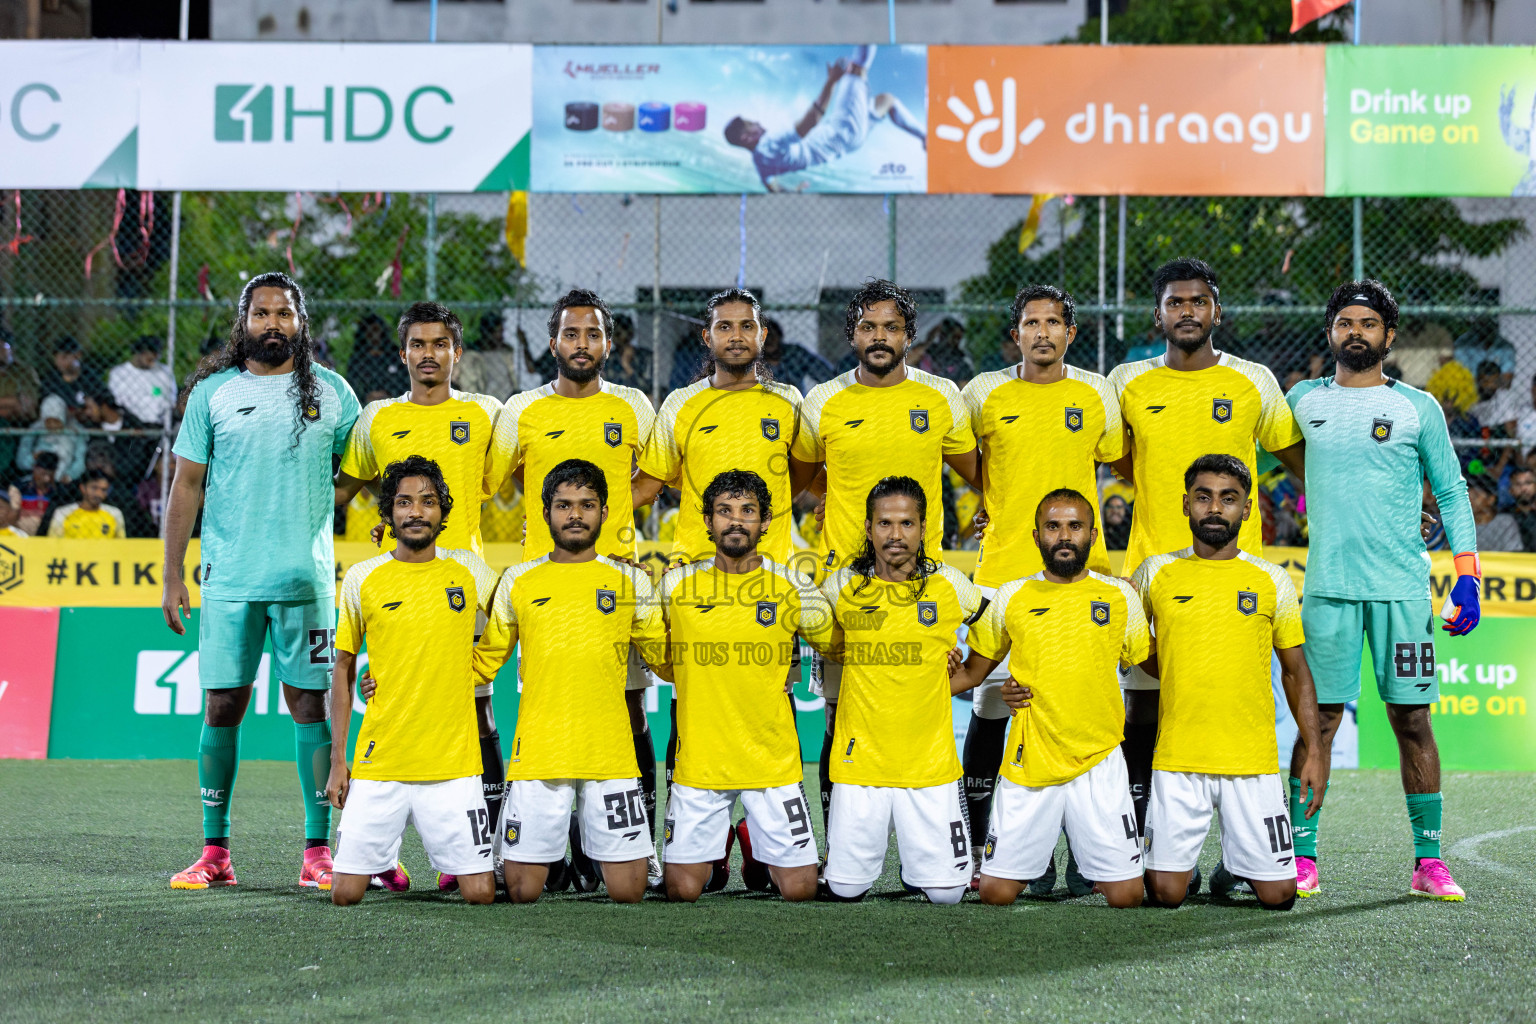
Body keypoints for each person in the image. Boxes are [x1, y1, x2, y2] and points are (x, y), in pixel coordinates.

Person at [161, 272, 362, 892]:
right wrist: (172, 576)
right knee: (224, 704)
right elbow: (186, 485)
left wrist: (327, 504)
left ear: (302, 323)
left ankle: (317, 852)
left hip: (307, 584)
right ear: (242, 322)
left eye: (284, 313)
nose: (272, 323)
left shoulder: (333, 393)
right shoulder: (213, 393)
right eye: (261, 313)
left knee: (312, 707)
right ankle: (214, 852)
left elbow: (362, 465)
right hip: (228, 582)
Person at [1288, 281, 1482, 900]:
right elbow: (1262, 458)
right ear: (1330, 333)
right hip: (1328, 590)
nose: (1356, 332)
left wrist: (1468, 578)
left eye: (1368, 324)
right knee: (1316, 721)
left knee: (1412, 719)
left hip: (1401, 590)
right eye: (1344, 322)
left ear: (1388, 336)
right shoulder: (1301, 401)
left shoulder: (1417, 407)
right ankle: (1301, 854)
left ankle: (1429, 863)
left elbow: (1451, 491)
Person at [1107, 257, 1305, 845]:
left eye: (1197, 301)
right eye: (1175, 302)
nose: (1187, 311)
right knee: (1143, 709)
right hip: (1152, 576)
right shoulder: (1127, 381)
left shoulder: (1254, 380)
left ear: (1216, 309)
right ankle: (1137, 845)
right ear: (1158, 313)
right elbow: (1120, 460)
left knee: (1236, 711)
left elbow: (1299, 462)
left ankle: (1242, 853)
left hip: (1235, 580)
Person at [487, 288, 662, 889]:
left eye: (593, 334)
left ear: (608, 343)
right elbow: (489, 478)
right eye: (570, 333)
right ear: (552, 341)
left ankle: (626, 843)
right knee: (544, 712)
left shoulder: (633, 406)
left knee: (631, 710)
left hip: (614, 587)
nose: (581, 344)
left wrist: (611, 523)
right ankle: (549, 851)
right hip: (544, 592)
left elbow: (661, 475)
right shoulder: (522, 411)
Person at [790, 279, 978, 836]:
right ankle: (838, 845)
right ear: (852, 334)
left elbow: (982, 474)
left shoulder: (941, 396)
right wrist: (831, 498)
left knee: (926, 714)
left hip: (923, 587)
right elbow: (796, 480)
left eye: (890, 327)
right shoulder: (823, 400)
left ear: (908, 335)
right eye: (868, 327)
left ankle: (936, 843)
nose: (879, 337)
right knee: (837, 720)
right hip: (847, 589)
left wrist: (991, 512)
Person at [332, 301, 507, 893]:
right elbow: (346, 486)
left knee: (479, 712)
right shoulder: (378, 418)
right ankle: (380, 852)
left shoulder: (486, 414)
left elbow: (511, 480)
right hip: (404, 584)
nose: (429, 354)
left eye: (440, 344)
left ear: (456, 353)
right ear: (402, 352)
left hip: (466, 586)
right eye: (418, 344)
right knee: (398, 702)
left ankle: (477, 851)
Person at [958, 285, 1121, 887]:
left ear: (1070, 333)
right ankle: (985, 848)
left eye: (1054, 322)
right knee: (992, 708)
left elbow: (1112, 457)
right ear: (1016, 333)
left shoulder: (1095, 392)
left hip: (1083, 578)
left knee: (1077, 709)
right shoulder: (983, 392)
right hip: (1002, 578)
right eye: (1031, 322)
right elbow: (967, 458)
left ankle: (1087, 849)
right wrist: (990, 504)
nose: (1043, 332)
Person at [1129, 454, 1327, 910]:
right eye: (1204, 497)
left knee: (1280, 897)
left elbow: (1296, 670)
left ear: (1248, 508)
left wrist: (1315, 748)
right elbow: (1130, 645)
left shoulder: (1271, 579)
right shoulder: (1153, 573)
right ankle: (1197, 863)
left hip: (1252, 759)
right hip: (1179, 757)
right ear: (1185, 504)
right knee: (1165, 894)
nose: (1215, 508)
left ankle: (1236, 864)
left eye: (1228, 499)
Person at [472, 459, 668, 904]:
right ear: (545, 513)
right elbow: (485, 662)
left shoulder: (630, 579)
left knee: (629, 893)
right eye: (563, 505)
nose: (575, 515)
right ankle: (558, 837)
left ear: (603, 512)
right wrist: (408, 670)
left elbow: (667, 661)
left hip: (610, 755)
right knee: (522, 892)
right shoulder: (519, 580)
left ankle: (582, 831)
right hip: (541, 754)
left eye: (586, 505)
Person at [949, 488, 1149, 908]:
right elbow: (971, 673)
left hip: (1099, 763)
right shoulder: (1010, 595)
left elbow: (1142, 662)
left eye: (1074, 526)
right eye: (1053, 526)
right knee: (995, 894)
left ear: (1093, 536)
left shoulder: (1120, 596)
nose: (1064, 536)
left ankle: (1083, 861)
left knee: (1128, 896)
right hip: (1030, 761)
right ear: (1036, 535)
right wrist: (922, 678)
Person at [326, 457, 501, 906]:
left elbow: (516, 611)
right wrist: (338, 762)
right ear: (387, 514)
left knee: (480, 894)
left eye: (427, 502)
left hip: (452, 765)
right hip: (381, 761)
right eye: (403, 502)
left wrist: (476, 668)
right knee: (344, 894)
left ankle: (396, 851)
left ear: (443, 511)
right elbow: (343, 667)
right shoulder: (363, 578)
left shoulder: (467, 569)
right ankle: (383, 854)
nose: (416, 512)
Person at [656, 470, 829, 902]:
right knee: (682, 891)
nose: (736, 521)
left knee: (801, 891)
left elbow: (840, 644)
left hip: (771, 764)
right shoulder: (674, 585)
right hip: (701, 764)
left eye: (747, 511)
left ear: (766, 520)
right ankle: (732, 840)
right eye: (725, 511)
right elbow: (659, 656)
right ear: (708, 521)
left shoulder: (793, 584)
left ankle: (752, 837)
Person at [818, 476, 982, 904]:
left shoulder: (949, 584)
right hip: (860, 764)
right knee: (844, 888)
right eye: (885, 523)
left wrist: (970, 675)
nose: (896, 535)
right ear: (869, 528)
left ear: (924, 528)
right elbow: (808, 633)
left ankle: (922, 865)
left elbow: (1000, 624)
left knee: (948, 894)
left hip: (929, 765)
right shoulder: (840, 586)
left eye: (907, 524)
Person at [634, 288, 817, 568]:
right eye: (724, 327)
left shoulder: (788, 400)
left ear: (762, 335)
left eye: (747, 326)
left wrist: (847, 503)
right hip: (695, 565)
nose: (736, 336)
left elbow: (804, 474)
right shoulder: (680, 403)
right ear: (708, 337)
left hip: (771, 566)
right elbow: (645, 487)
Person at [724, 45, 926, 192]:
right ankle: (869, 15)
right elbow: (811, 121)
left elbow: (772, 187)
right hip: (842, 130)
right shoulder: (769, 143)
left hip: (849, 144)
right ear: (746, 138)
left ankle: (926, 138)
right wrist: (831, 81)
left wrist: (793, 193)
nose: (758, 123)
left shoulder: (760, 163)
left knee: (887, 100)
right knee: (855, 68)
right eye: (752, 124)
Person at [108, 335, 177, 427]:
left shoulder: (164, 372)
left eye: (156, 357)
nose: (154, 361)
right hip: (130, 425)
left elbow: (171, 399)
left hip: (159, 424)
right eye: (150, 358)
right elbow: (117, 403)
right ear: (140, 352)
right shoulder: (119, 373)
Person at [17, 395, 87, 483]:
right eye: (48, 421)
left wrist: (70, 475)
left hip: (63, 479)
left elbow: (80, 459)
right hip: (38, 477)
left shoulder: (74, 431)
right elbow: (21, 461)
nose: (53, 426)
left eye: (56, 421)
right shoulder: (36, 430)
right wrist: (33, 457)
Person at [451, 312, 519, 402]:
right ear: (488, 333)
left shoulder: (505, 351)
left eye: (502, 331)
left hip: (503, 399)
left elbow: (513, 378)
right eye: (498, 332)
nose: (502, 336)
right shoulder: (471, 354)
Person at [761, 317, 834, 395]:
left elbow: (826, 375)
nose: (768, 340)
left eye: (771, 335)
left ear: (779, 336)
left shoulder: (795, 354)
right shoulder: (752, 360)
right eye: (763, 337)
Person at [45, 468, 124, 539]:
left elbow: (120, 546)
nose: (98, 494)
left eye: (103, 490)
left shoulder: (114, 514)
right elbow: (53, 545)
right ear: (82, 488)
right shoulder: (63, 513)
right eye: (94, 488)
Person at [346, 313, 405, 403]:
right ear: (363, 334)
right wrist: (365, 397)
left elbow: (405, 382)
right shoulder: (357, 359)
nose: (373, 336)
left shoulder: (395, 356)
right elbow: (352, 386)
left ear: (382, 331)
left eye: (376, 330)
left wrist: (389, 394)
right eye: (369, 332)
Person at [39, 336, 105, 417]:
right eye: (56, 358)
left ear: (78, 355)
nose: (59, 362)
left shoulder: (90, 377)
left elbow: (98, 406)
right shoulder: (51, 379)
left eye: (64, 357)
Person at [604, 313, 653, 395]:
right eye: (614, 333)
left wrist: (627, 366)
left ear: (631, 333)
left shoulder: (645, 356)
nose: (617, 337)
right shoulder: (609, 358)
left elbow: (647, 388)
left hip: (639, 399)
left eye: (620, 333)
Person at [13, 450, 58, 535]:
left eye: (50, 473)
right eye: (42, 472)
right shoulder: (20, 486)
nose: (46, 478)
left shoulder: (57, 491)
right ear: (34, 468)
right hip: (20, 529)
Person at [1471, 478, 1521, 552]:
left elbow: (1513, 552)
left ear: (1491, 499)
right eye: (1466, 496)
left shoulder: (1505, 522)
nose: (1469, 500)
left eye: (1475, 496)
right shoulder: (1462, 525)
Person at [1508, 466, 1536, 552]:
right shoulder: (1506, 515)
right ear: (1511, 490)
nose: (1523, 489)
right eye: (1518, 484)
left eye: (1528, 483)